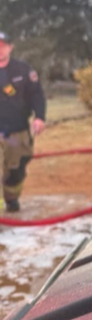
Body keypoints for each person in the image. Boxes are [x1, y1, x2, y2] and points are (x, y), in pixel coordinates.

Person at [0, 31, 46, 212]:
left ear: (10, 47)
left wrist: (40, 117)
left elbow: (36, 95)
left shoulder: (23, 70)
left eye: (3, 46)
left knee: (16, 170)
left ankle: (11, 199)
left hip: (16, 131)